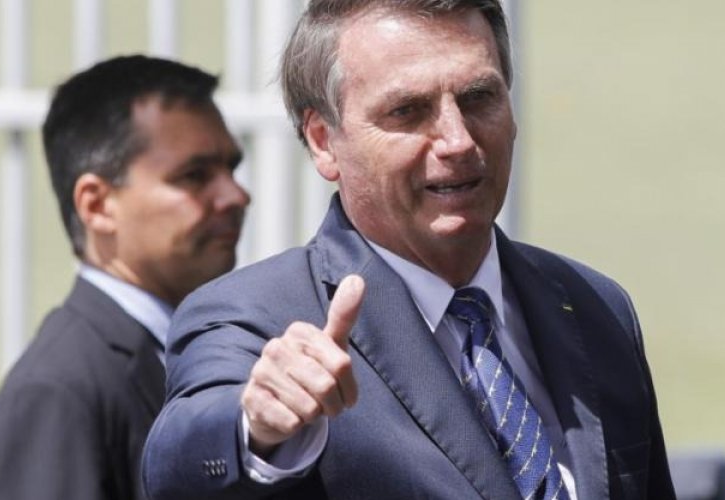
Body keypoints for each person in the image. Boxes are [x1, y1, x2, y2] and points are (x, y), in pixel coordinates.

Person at [142, 1, 676, 499]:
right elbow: (178, 464)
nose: (458, 140)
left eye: (479, 98)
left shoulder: (595, 305)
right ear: (324, 141)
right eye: (408, 111)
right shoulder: (257, 318)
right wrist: (255, 428)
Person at [0, 55, 250, 500]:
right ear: (97, 205)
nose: (235, 195)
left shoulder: (191, 351)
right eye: (194, 175)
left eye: (231, 168)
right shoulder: (59, 390)